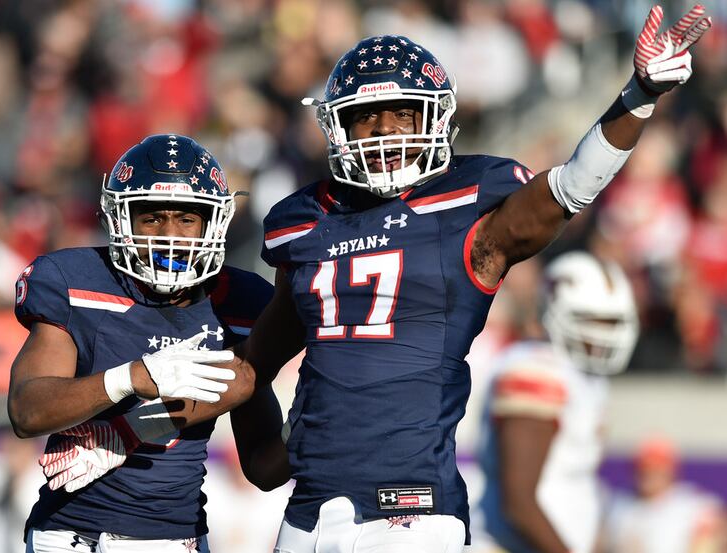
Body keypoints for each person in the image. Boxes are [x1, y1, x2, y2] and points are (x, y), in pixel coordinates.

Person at [47, 6, 714, 552]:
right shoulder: (306, 222)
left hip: (410, 512)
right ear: (337, 126)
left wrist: (639, 97)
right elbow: (250, 367)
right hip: (307, 509)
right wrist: (136, 430)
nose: (388, 131)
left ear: (437, 120)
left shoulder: (466, 214)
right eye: (370, 117)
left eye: (403, 114)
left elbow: (566, 189)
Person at [7, 133, 287, 552]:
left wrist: (315, 422)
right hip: (67, 536)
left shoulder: (242, 302)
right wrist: (128, 378)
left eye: (187, 219)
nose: (169, 236)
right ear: (121, 220)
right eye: (152, 218)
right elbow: (27, 411)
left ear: (214, 223)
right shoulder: (75, 280)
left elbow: (265, 468)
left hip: (173, 536)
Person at [470, 252, 639, 553]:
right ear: (555, 313)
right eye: (591, 320)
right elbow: (519, 502)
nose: (604, 334)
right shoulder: (536, 369)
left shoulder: (582, 376)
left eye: (612, 322)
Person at [603, 436, 727, 553]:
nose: (649, 475)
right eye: (644, 468)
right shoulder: (619, 504)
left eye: (656, 468)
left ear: (669, 471)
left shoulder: (691, 505)